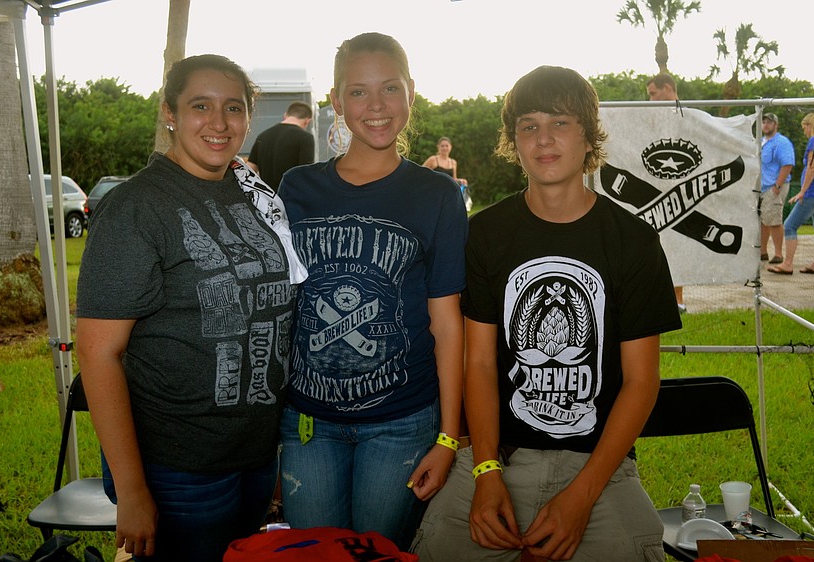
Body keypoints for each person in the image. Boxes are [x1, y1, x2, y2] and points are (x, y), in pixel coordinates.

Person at [412, 65, 682, 562]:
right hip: (500, 456)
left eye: (560, 122)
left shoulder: (633, 241)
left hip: (600, 466)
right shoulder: (487, 233)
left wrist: (580, 498)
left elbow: (642, 383)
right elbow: (480, 363)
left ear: (588, 136)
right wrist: (486, 471)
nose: (544, 139)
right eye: (529, 126)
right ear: (513, 141)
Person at [75, 54, 305, 562]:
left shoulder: (249, 193)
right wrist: (134, 492)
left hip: (253, 455)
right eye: (200, 106)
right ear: (169, 113)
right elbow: (97, 354)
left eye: (234, 108)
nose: (219, 123)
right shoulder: (137, 207)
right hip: (176, 467)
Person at [277, 32, 468, 550]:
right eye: (358, 92)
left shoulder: (439, 196)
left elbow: (447, 322)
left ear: (411, 91)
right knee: (316, 557)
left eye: (389, 88)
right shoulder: (296, 188)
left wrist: (450, 437)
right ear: (336, 101)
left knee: (380, 555)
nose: (376, 106)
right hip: (308, 424)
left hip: (403, 424)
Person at [647, 73, 686, 314]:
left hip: (680, 191)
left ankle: (678, 299)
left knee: (679, 245)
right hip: (656, 191)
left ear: (669, 88)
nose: (650, 100)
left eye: (653, 94)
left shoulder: (687, 116)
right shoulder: (653, 118)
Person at [768, 112, 814, 275]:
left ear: (810, 125)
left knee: (790, 226)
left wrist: (802, 192)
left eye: (804, 127)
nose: (803, 131)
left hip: (812, 193)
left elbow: (812, 167)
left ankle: (788, 264)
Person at [247, 100, 315, 188]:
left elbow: (250, 169)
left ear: (285, 115)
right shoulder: (306, 138)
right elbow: (306, 173)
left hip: (267, 198)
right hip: (291, 197)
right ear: (307, 121)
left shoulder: (263, 136)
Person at [758, 112, 795, 266]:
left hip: (775, 186)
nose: (766, 125)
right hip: (762, 186)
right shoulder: (761, 142)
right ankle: (762, 252)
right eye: (764, 122)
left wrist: (777, 186)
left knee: (774, 220)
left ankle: (778, 254)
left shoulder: (781, 142)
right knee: (763, 219)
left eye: (769, 122)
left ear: (775, 125)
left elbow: (787, 164)